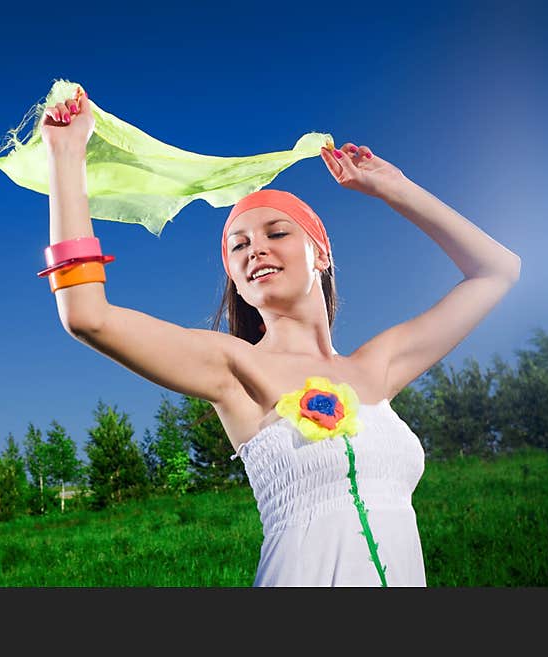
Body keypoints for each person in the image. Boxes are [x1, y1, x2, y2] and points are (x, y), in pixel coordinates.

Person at [39, 88, 521, 586]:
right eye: (239, 246)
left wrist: (395, 188)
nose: (256, 251)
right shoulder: (235, 368)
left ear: (322, 255)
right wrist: (67, 157)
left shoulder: (378, 366)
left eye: (277, 233)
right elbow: (87, 315)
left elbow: (497, 271)